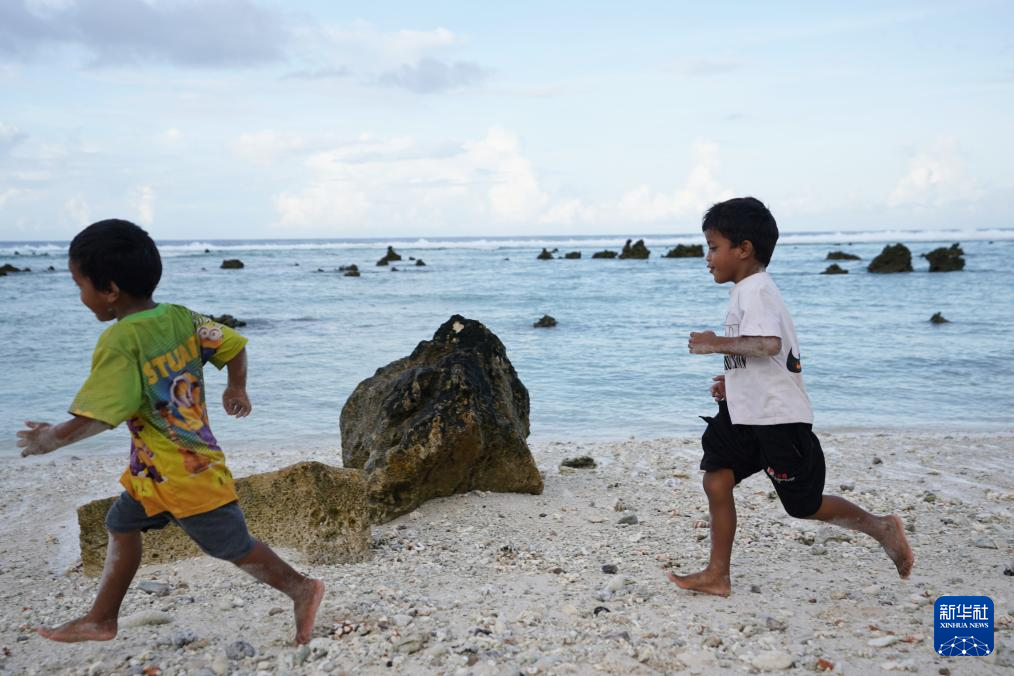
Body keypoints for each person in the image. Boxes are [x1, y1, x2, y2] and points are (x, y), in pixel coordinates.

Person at [16, 219, 324, 644]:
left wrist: (50, 439)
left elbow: (102, 414)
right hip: (154, 472)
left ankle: (302, 589)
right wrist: (236, 386)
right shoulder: (180, 317)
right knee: (121, 522)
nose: (80, 296)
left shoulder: (121, 340)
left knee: (231, 545)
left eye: (79, 285)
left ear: (109, 290)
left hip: (186, 472)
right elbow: (233, 344)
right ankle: (101, 618)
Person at [668, 197, 913, 597]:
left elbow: (767, 343)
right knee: (716, 479)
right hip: (745, 413)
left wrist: (716, 343)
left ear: (743, 248)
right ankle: (718, 574)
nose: (707, 258)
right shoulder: (745, 291)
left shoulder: (757, 290)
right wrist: (732, 381)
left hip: (777, 418)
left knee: (802, 504)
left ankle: (881, 527)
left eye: (713, 247)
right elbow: (762, 357)